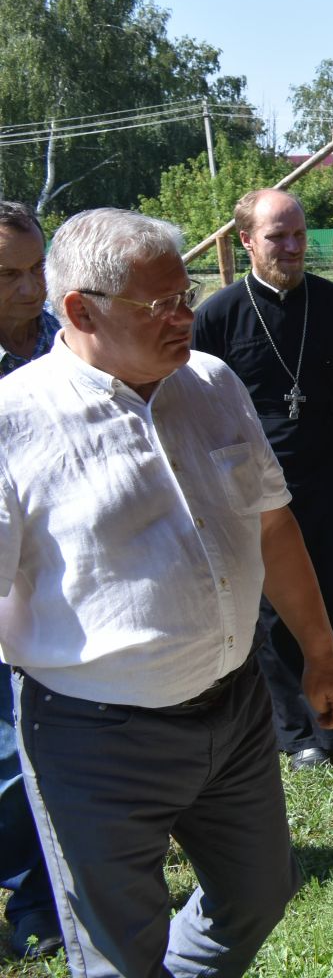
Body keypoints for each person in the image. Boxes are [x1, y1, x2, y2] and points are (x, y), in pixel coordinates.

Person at [0, 207, 333, 976]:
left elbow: (272, 526)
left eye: (186, 296)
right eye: (157, 306)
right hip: (93, 737)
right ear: (80, 311)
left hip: (234, 711)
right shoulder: (15, 423)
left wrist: (321, 655)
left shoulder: (212, 383)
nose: (184, 319)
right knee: (121, 952)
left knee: (260, 892)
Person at [193, 189, 333, 769]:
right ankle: (301, 729)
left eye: (298, 235)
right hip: (259, 487)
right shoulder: (217, 316)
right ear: (246, 241)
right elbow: (203, 403)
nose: (291, 248)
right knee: (277, 607)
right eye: (276, 237)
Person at [0, 202, 59, 959]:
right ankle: (34, 892)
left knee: (38, 745)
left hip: (62, 579)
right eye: (7, 275)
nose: (28, 289)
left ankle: (50, 889)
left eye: (38, 269)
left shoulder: (67, 344)